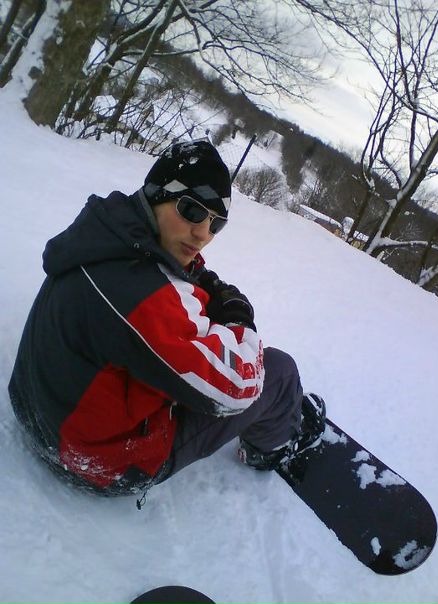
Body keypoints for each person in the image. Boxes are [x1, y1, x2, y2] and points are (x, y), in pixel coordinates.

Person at [8, 140, 326, 499]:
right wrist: (239, 322)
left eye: (216, 223)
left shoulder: (104, 233)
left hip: (38, 408)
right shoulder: (141, 298)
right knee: (279, 373)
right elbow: (238, 388)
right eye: (192, 210)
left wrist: (205, 284)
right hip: (95, 461)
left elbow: (160, 278)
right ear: (157, 194)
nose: (203, 233)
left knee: (196, 327)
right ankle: (272, 448)